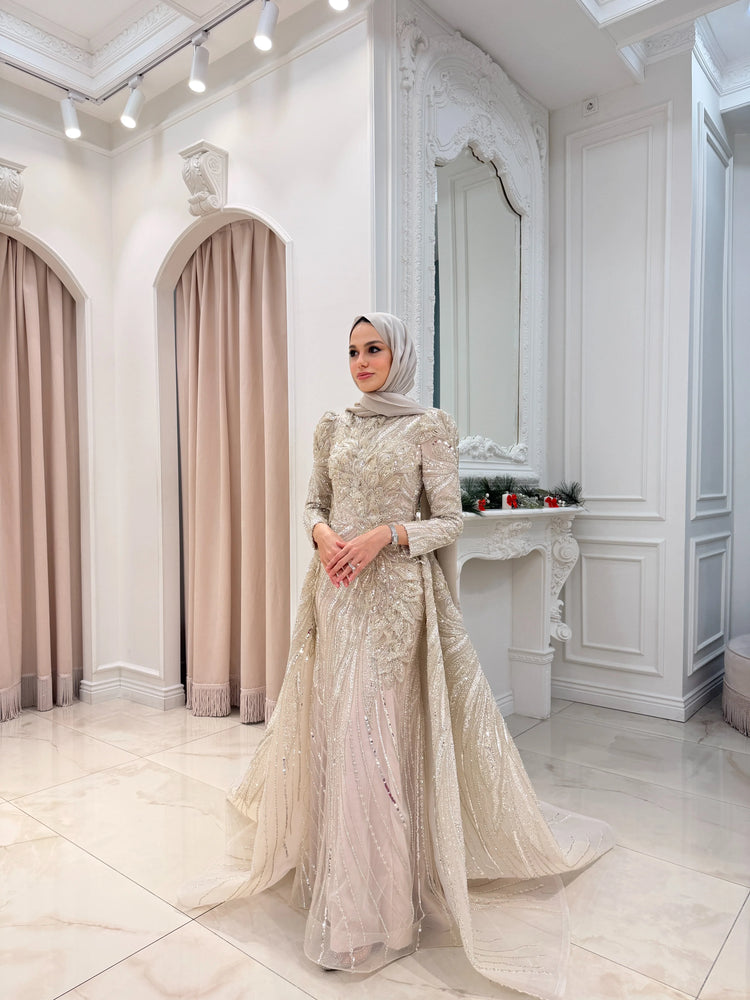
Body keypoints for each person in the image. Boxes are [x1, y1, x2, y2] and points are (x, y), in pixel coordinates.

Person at [180, 312, 614, 1000]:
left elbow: (450, 521)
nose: (361, 361)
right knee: (338, 734)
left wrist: (384, 534)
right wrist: (322, 535)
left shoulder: (427, 426)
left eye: (373, 348)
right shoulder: (334, 425)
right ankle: (343, 891)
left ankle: (374, 912)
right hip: (334, 593)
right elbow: (313, 502)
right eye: (353, 350)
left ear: (399, 355)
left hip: (392, 600)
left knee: (373, 742)